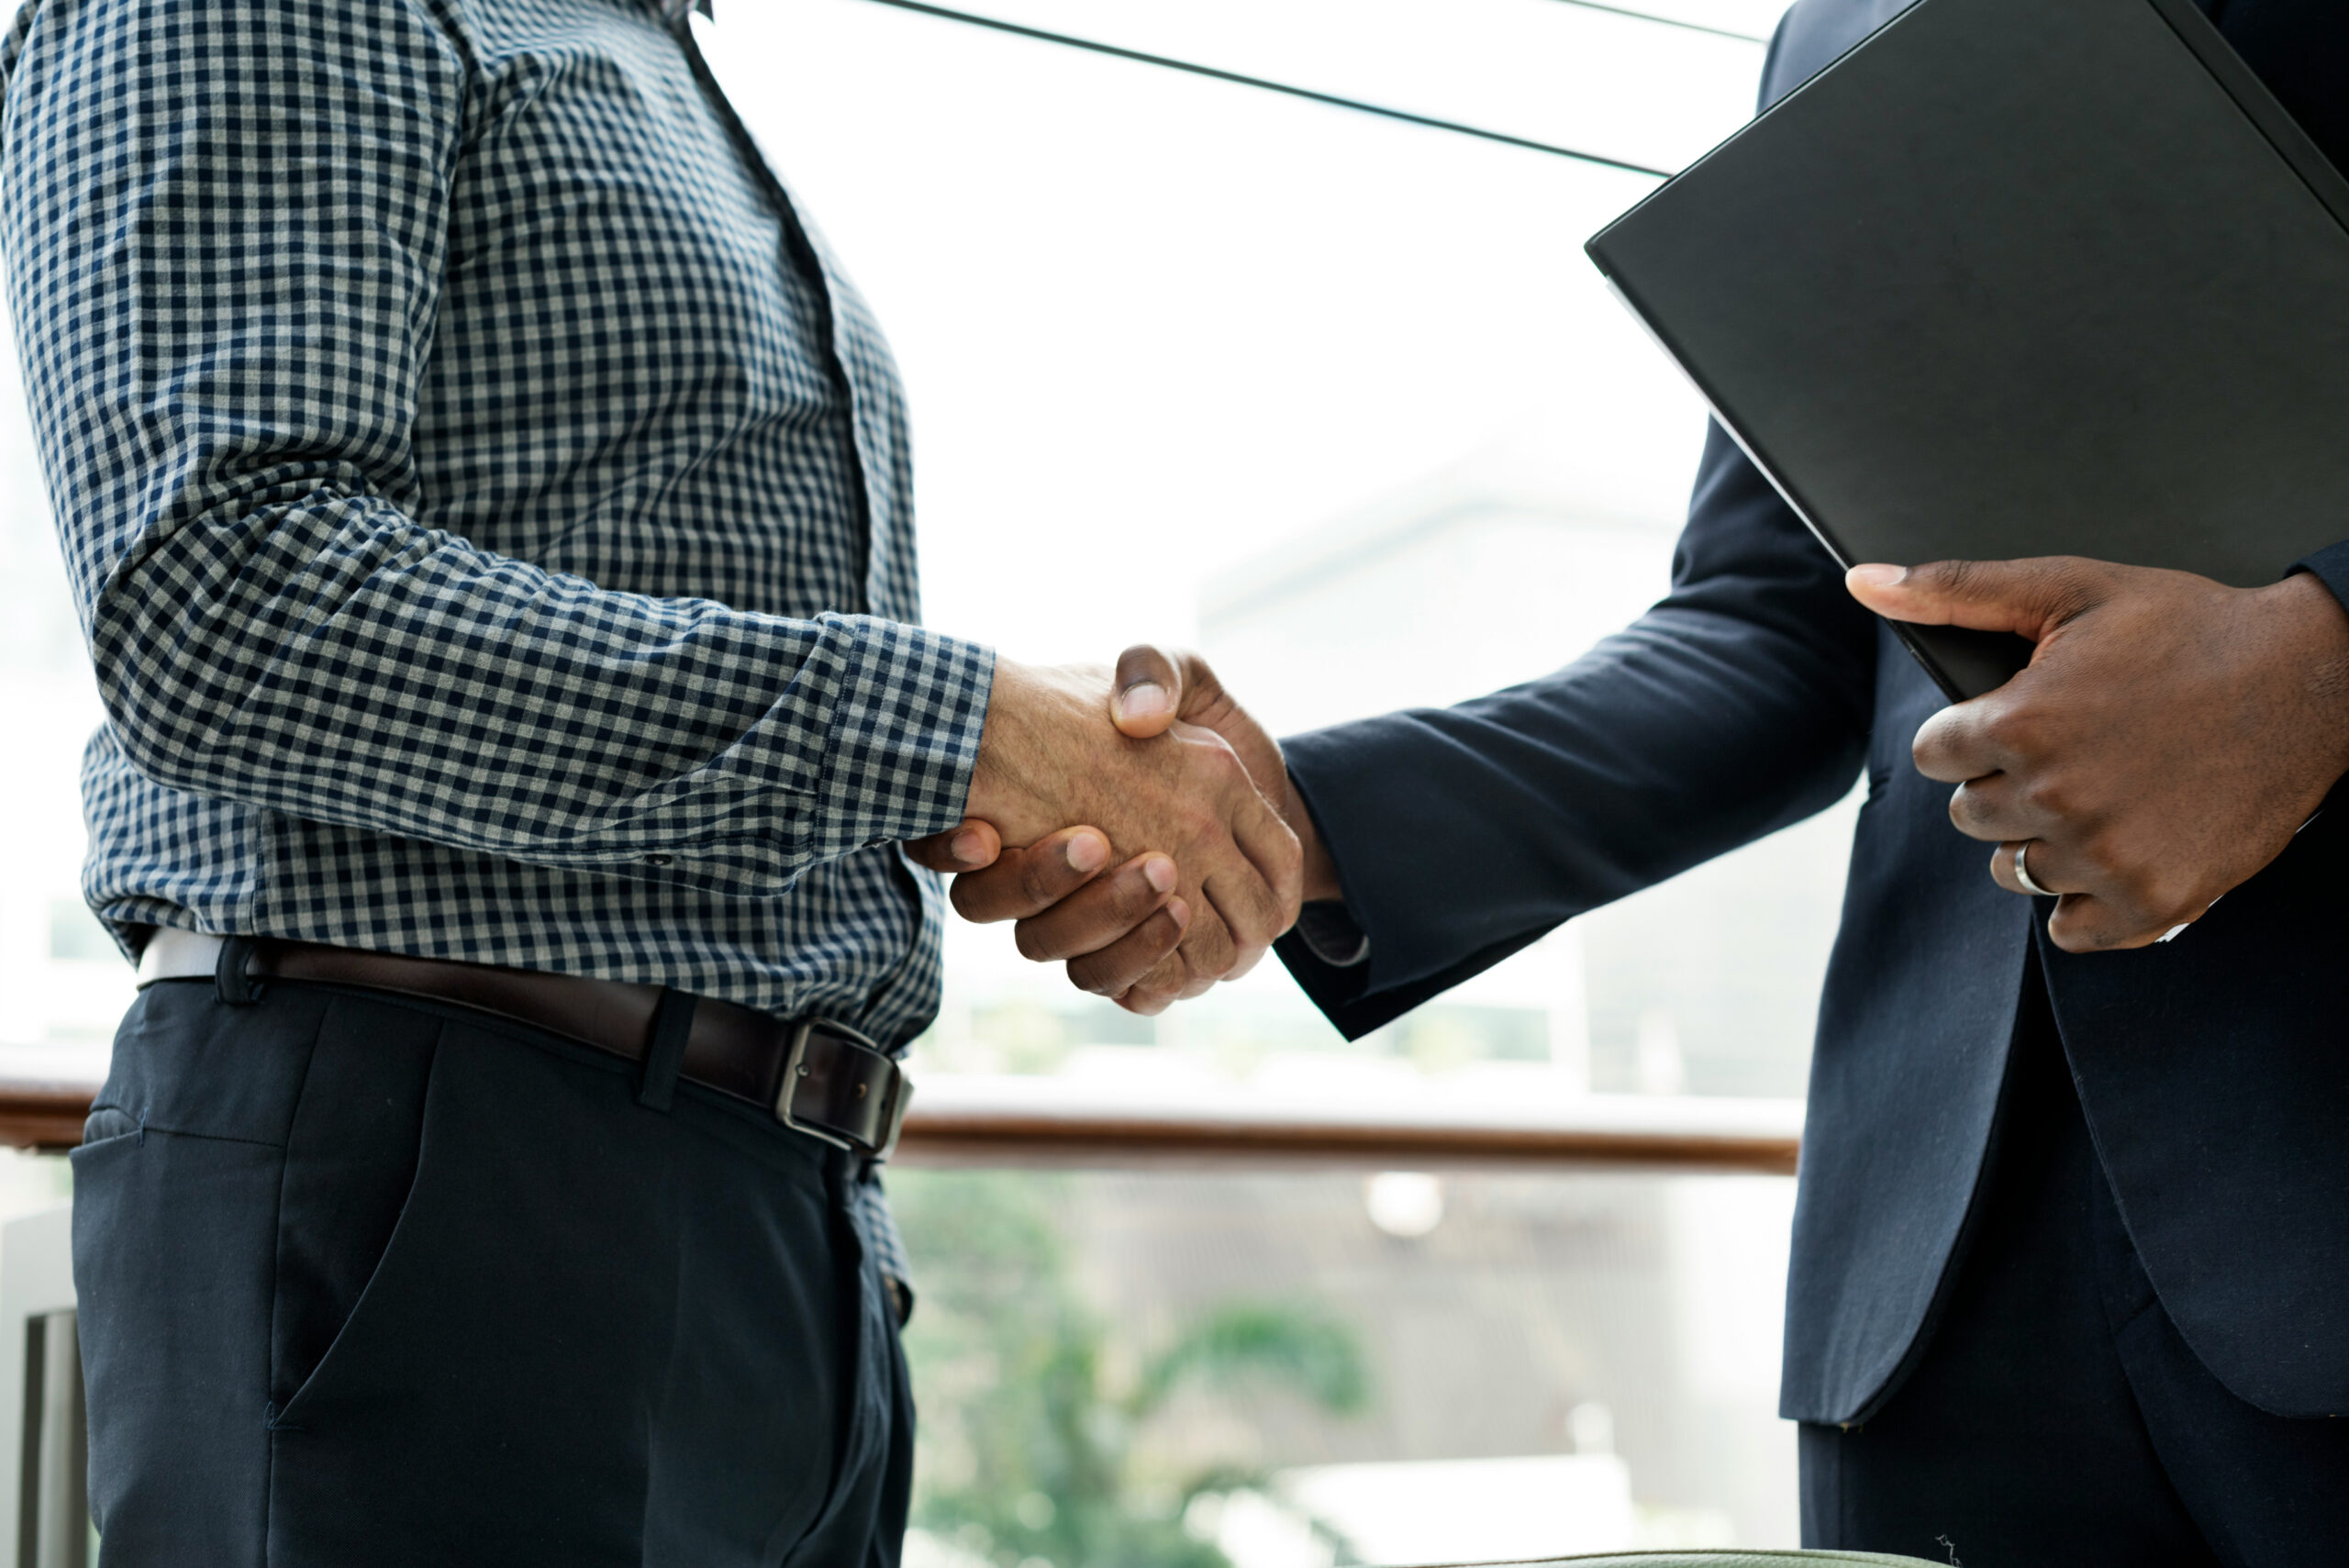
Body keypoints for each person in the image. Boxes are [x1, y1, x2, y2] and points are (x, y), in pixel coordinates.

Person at [931, 0, 2349, 1560]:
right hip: (1939, 1268)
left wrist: (2326, 660)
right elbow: (1775, 642)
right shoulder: (1834, 28)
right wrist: (1287, 822)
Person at [0, 0, 1297, 1560]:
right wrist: (960, 732)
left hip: (779, 1229)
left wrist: (1044, 777)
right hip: (439, 1186)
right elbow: (223, 599)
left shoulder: (636, 48)